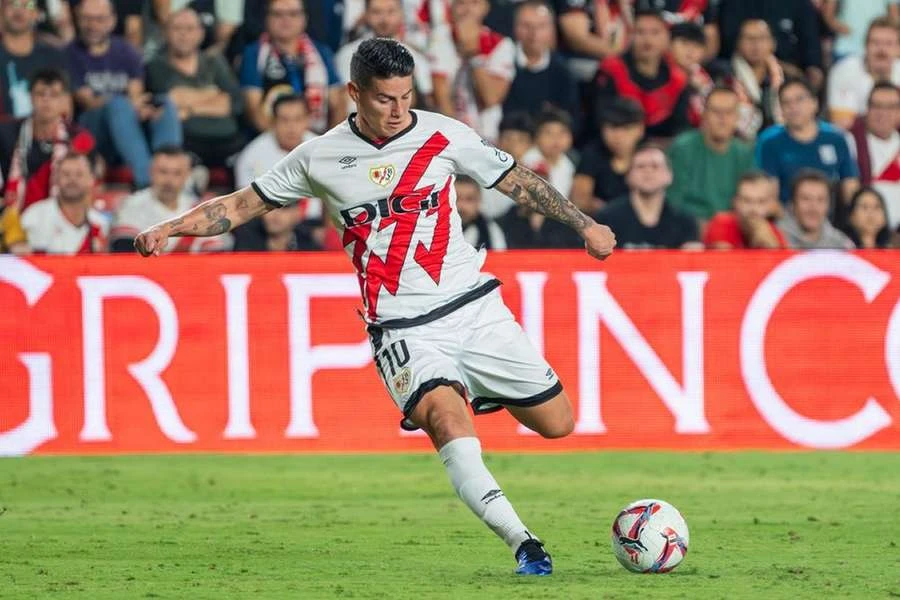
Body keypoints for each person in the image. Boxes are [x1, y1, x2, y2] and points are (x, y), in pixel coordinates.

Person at [134, 38, 616, 576]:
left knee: (557, 423)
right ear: (354, 92)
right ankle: (524, 543)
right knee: (446, 419)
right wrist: (172, 227)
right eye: (385, 99)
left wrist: (584, 224)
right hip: (402, 327)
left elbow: (517, 181)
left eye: (406, 97)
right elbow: (242, 204)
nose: (398, 110)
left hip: (473, 306)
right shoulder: (320, 157)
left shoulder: (443, 134)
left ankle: (477, 389)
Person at [68, 0, 182, 189]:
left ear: (112, 20)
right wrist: (127, 105)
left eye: (99, 19)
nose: (93, 25)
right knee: (118, 105)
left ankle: (172, 174)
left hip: (126, 125)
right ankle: (147, 183)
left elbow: (136, 93)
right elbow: (88, 101)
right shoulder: (70, 53)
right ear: (78, 20)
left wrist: (141, 109)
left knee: (163, 104)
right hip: (92, 130)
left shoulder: (127, 51)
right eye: (87, 19)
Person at [145, 7, 245, 168]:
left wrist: (189, 109)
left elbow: (235, 102)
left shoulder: (214, 62)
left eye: (190, 28)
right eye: (177, 28)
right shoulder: (155, 66)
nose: (183, 34)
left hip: (228, 142)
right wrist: (213, 95)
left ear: (201, 33)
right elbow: (173, 99)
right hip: (187, 143)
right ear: (166, 32)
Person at [239, 0, 346, 134]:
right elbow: (253, 110)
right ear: (266, 18)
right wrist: (287, 138)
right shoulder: (254, 53)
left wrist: (328, 141)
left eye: (293, 14)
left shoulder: (322, 52)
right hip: (270, 138)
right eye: (278, 14)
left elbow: (338, 104)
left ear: (304, 18)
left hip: (317, 137)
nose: (286, 20)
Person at [0, 67, 95, 213]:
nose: (46, 100)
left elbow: (88, 186)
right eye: (40, 94)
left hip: (61, 216)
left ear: (65, 100)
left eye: (54, 95)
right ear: (30, 97)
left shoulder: (77, 138)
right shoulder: (6, 133)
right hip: (11, 215)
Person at [756, 77, 859, 206]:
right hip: (787, 215)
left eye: (799, 100)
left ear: (815, 103)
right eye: (786, 103)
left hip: (829, 215)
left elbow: (850, 186)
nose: (793, 107)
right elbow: (770, 196)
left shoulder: (836, 138)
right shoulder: (770, 142)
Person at [593, 8, 692, 140]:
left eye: (655, 32)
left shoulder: (678, 80)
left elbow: (681, 129)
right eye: (640, 32)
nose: (647, 40)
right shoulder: (610, 71)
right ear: (630, 36)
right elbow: (601, 120)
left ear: (667, 37)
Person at [110, 146, 229, 253]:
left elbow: (214, 253)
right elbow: (124, 252)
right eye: (163, 172)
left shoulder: (197, 208)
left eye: (177, 173)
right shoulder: (132, 205)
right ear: (151, 171)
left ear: (187, 175)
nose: (169, 180)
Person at [430, 0, 516, 141]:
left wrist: (473, 55)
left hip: (486, 137)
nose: (467, 9)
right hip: (449, 134)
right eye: (461, 3)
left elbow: (491, 98)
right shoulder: (441, 37)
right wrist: (455, 136)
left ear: (486, 7)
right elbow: (441, 94)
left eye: (474, 3)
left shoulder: (501, 44)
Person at [667, 87, 754, 221]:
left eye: (729, 112)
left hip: (731, 224)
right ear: (704, 114)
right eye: (716, 111)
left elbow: (750, 200)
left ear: (737, 117)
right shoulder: (683, 148)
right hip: (690, 224)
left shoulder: (744, 153)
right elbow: (673, 201)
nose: (722, 118)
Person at [595, 142, 700, 249]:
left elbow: (692, 257)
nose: (648, 171)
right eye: (640, 166)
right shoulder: (607, 219)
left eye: (655, 166)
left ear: (669, 175)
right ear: (628, 175)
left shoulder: (685, 221)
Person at [335, 0, 433, 112]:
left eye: (391, 12)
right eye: (377, 12)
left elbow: (426, 101)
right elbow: (342, 103)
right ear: (366, 14)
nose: (384, 19)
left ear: (402, 14)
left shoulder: (417, 57)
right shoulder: (348, 54)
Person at [502, 0, 580, 132]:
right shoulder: (502, 62)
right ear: (514, 27)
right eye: (526, 26)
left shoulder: (562, 71)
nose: (534, 34)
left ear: (552, 29)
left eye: (541, 26)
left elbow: (571, 118)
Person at [20, 152, 108, 253]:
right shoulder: (35, 216)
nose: (72, 179)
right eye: (66, 174)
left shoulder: (100, 224)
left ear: (91, 179)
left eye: (79, 174)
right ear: (56, 178)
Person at [571, 97, 645, 216]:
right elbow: (580, 200)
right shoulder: (592, 154)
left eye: (626, 129)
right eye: (612, 128)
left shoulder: (648, 155)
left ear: (640, 129)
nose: (619, 136)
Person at [828, 17, 900, 131]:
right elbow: (842, 123)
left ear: (898, 48)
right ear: (865, 46)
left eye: (888, 43)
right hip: (855, 138)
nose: (882, 50)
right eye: (875, 43)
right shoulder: (845, 70)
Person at [0, 0, 66, 118]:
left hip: (44, 127)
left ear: (37, 13)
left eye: (28, 5)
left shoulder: (53, 56)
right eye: (13, 3)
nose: (19, 11)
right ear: (2, 9)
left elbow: (65, 107)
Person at [847, 82, 900, 229]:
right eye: (877, 106)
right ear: (867, 110)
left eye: (890, 107)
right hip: (868, 230)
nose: (883, 113)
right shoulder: (851, 142)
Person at [724, 19, 787, 140]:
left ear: (773, 43)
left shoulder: (786, 77)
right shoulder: (725, 76)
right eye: (749, 38)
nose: (755, 44)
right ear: (738, 43)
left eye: (762, 38)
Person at [704, 170, 787, 249]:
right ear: (735, 202)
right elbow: (723, 257)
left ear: (770, 205)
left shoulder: (774, 233)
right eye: (747, 200)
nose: (753, 209)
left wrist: (770, 244)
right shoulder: (721, 223)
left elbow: (784, 258)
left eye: (761, 201)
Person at [778, 169, 855, 249]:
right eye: (806, 198)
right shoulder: (774, 239)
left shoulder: (842, 244)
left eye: (820, 200)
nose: (813, 207)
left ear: (829, 205)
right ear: (793, 204)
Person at [522, 108, 576, 199]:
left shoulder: (569, 165)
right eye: (548, 133)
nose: (556, 139)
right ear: (536, 137)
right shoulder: (527, 161)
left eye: (562, 132)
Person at [454, 174, 507, 249]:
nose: (461, 206)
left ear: (478, 201)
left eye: (469, 199)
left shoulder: (491, 231)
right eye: (456, 198)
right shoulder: (436, 226)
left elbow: (499, 254)